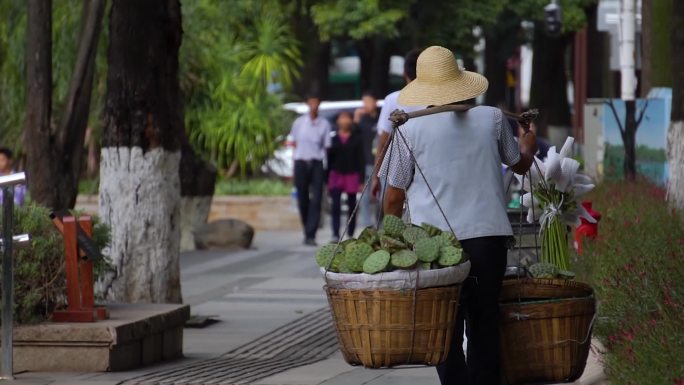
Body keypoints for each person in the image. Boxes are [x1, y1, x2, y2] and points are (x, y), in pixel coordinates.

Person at [380, 46, 537, 385]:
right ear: (461, 81)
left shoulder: (408, 130)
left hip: (434, 247)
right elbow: (520, 163)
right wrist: (529, 141)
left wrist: (388, 241)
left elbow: (393, 197)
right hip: (487, 240)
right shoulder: (492, 118)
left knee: (443, 327)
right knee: (485, 322)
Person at [371, 48, 424, 200]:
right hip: (427, 169)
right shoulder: (437, 101)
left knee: (392, 217)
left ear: (404, 74)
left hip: (396, 171)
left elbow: (383, 143)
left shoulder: (393, 100)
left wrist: (376, 176)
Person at [290, 94, 331, 246]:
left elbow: (326, 146)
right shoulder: (299, 123)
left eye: (316, 102)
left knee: (317, 198)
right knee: (302, 198)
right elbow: (294, 143)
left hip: (316, 163)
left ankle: (311, 233)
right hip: (301, 162)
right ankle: (306, 227)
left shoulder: (324, 124)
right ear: (307, 104)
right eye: (311, 102)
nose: (314, 105)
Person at [327, 111, 365, 242]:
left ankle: (350, 233)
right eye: (342, 118)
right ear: (337, 121)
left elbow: (361, 160)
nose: (344, 121)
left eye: (347, 118)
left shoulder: (357, 139)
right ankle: (335, 233)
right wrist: (327, 179)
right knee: (335, 206)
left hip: (352, 174)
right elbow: (329, 160)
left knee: (352, 206)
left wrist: (361, 179)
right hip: (336, 175)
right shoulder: (333, 139)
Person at [353, 91, 379, 227]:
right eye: (363, 102)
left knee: (381, 195)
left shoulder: (381, 118)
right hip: (366, 163)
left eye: (367, 101)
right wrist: (356, 119)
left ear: (374, 102)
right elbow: (353, 139)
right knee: (365, 196)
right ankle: (367, 224)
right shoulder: (362, 122)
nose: (365, 105)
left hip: (380, 163)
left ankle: (380, 223)